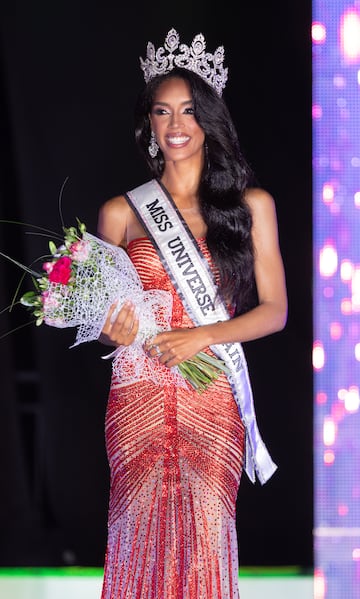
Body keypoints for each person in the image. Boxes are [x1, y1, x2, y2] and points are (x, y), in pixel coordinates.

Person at [97, 27, 287, 599]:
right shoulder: (121, 213)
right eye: (163, 112)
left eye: (189, 110)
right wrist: (110, 326)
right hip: (138, 397)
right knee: (139, 537)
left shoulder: (252, 206)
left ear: (210, 118)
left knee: (204, 538)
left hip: (212, 398)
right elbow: (104, 314)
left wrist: (203, 335)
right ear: (149, 125)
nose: (176, 125)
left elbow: (274, 312)